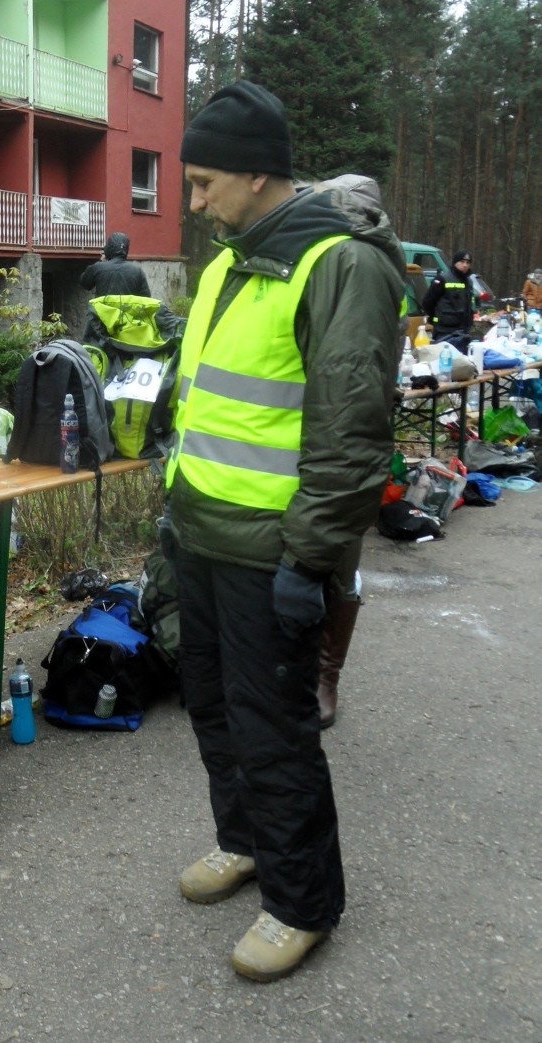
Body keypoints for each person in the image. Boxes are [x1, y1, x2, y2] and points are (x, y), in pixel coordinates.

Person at [168, 81, 404, 982]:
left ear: (259, 175)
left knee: (274, 727)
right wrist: (175, 502)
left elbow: (351, 436)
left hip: (273, 552)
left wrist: (311, 560)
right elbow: (215, 401)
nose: (193, 205)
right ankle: (245, 842)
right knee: (213, 705)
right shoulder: (235, 257)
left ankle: (302, 902)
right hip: (201, 532)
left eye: (203, 183)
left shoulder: (339, 265)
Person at [422, 250, 474, 341]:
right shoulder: (442, 279)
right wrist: (437, 318)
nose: (465, 265)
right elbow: (427, 303)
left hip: (463, 330)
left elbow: (469, 304)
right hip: (444, 330)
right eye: (462, 262)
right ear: (455, 263)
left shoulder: (469, 282)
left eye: (468, 262)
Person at [80, 231, 151, 297]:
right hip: (128, 310)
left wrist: (101, 260)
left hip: (104, 310)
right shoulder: (138, 271)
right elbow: (146, 297)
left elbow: (85, 283)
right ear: (126, 249)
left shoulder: (98, 268)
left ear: (108, 248)